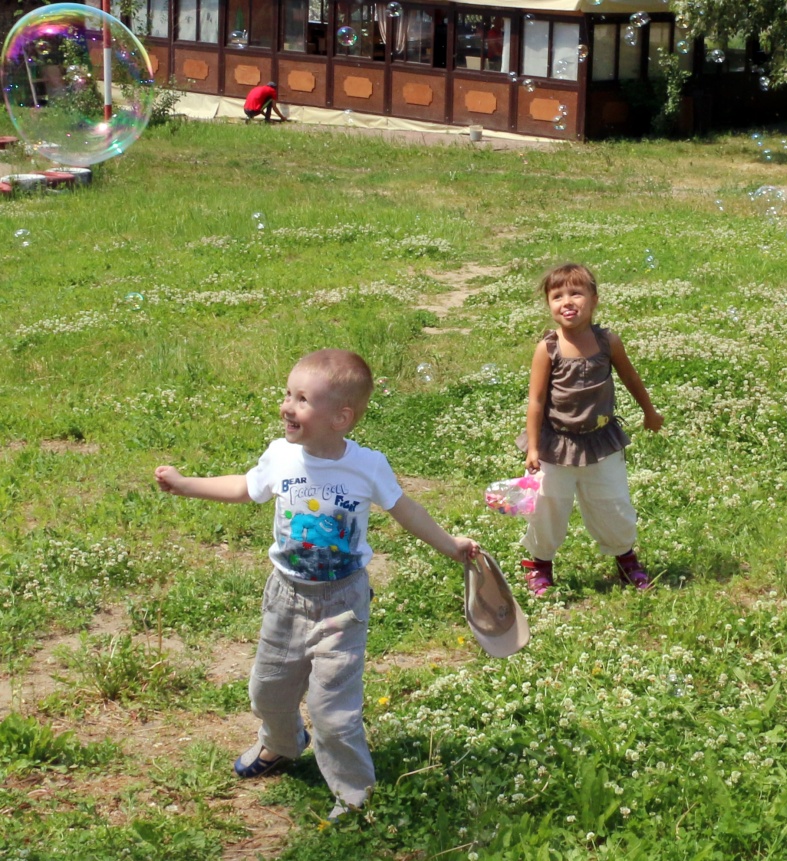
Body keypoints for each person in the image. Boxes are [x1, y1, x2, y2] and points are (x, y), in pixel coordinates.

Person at [154, 349, 479, 820]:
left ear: (340, 418)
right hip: (285, 596)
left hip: (342, 603)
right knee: (267, 691)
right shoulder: (281, 455)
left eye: (302, 399)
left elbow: (406, 510)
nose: (287, 406)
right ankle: (283, 743)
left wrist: (450, 544)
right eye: (288, 394)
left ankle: (354, 794)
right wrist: (187, 484)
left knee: (333, 712)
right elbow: (245, 488)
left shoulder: (366, 466)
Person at [520, 263, 663, 596]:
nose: (567, 301)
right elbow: (536, 401)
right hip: (555, 445)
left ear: (594, 299)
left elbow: (630, 378)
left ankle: (625, 558)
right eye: (557, 296)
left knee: (612, 502)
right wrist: (533, 447)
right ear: (548, 304)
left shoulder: (607, 341)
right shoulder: (548, 348)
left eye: (576, 293)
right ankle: (539, 563)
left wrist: (650, 412)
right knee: (547, 505)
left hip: (601, 442)